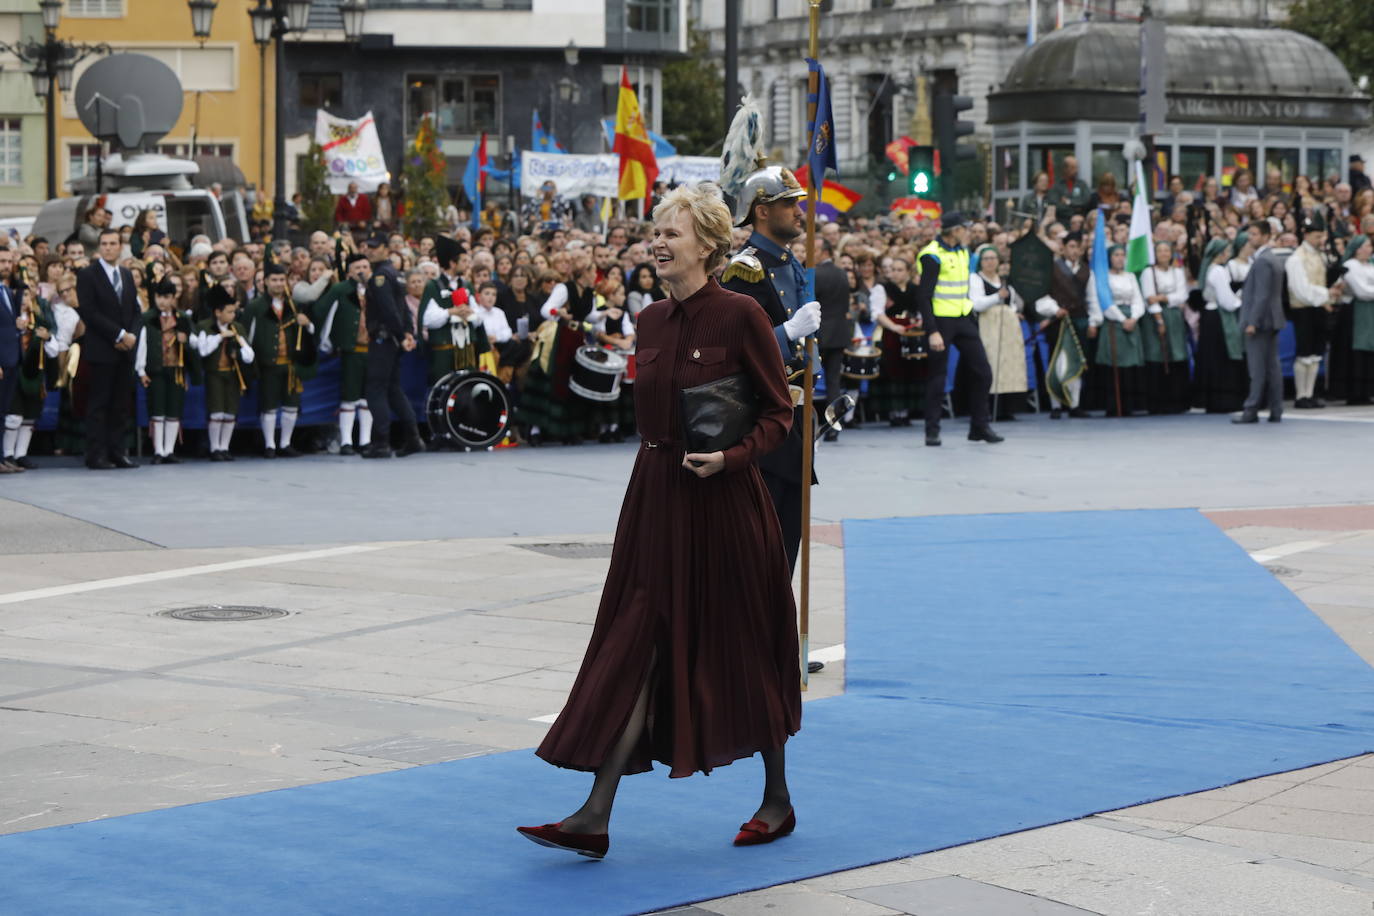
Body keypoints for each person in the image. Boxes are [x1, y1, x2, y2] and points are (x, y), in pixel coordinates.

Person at [521, 183, 800, 858]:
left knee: (743, 645)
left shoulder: (741, 316)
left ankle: (777, 798)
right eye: (655, 232)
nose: (657, 242)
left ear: (707, 243)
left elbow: (778, 413)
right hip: (655, 497)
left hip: (726, 503)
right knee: (640, 646)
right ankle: (593, 815)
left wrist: (733, 457)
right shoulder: (647, 322)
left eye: (670, 233)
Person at [720, 164, 821, 572]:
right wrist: (786, 333)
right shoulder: (746, 269)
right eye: (789, 204)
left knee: (788, 536)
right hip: (764, 418)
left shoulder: (792, 263)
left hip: (796, 415)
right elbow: (734, 350)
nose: (800, 212)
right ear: (762, 210)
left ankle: (776, 623)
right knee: (765, 540)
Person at [916, 211, 1001, 445]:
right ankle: (931, 430)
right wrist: (932, 330)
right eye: (965, 227)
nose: (969, 231)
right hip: (941, 321)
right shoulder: (931, 255)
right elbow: (923, 296)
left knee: (983, 372)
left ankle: (979, 427)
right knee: (937, 377)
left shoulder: (963, 251)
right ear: (954, 230)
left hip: (963, 317)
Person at [75, 228, 142, 469]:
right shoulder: (88, 275)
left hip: (125, 350)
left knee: (120, 405)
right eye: (104, 243)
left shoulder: (125, 274)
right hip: (102, 348)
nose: (108, 247)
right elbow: (89, 312)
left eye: (113, 243)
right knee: (99, 405)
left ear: (120, 246)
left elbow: (135, 309)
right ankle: (96, 454)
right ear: (99, 247)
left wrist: (131, 334)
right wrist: (119, 334)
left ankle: (117, 452)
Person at [360, 234, 423, 458]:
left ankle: (381, 442)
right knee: (393, 389)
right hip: (393, 338)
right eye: (369, 247)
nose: (371, 250)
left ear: (386, 249)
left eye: (376, 247)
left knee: (375, 389)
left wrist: (400, 333)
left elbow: (389, 310)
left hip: (384, 339)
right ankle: (413, 438)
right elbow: (403, 308)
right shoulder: (395, 274)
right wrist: (407, 332)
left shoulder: (380, 277)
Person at [245, 263, 315, 457]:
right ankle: (269, 445)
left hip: (291, 364)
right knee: (268, 405)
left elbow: (310, 333)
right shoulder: (255, 306)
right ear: (266, 282)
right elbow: (246, 335)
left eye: (281, 280)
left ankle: (285, 443)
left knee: (291, 405)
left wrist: (307, 323)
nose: (278, 284)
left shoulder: (295, 304)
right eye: (274, 280)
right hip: (268, 364)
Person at [315, 253, 374, 455]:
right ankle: (347, 441)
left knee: (368, 398)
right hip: (351, 350)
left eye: (365, 266)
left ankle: (365, 440)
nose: (362, 271)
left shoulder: (376, 289)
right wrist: (327, 342)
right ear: (349, 271)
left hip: (374, 350)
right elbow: (322, 312)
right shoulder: (340, 289)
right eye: (357, 267)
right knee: (349, 395)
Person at [1234, 220, 1288, 424]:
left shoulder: (1263, 261)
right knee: (1272, 367)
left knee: (1257, 369)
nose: (1251, 238)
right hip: (1271, 319)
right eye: (1250, 235)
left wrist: (1252, 322)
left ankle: (1251, 410)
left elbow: (1262, 295)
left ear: (1266, 236)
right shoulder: (1270, 258)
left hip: (1261, 321)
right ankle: (1276, 409)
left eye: (1255, 234)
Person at [1285, 212, 1340, 408]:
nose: (1321, 240)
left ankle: (1310, 393)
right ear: (1306, 235)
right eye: (1317, 236)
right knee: (1304, 353)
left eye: (1322, 236)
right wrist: (1326, 293)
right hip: (1304, 310)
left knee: (1316, 353)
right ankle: (1301, 395)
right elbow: (1301, 290)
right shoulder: (1296, 258)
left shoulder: (1319, 255)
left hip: (1318, 308)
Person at [192, 286, 254, 460]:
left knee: (230, 412)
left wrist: (239, 351)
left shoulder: (238, 328)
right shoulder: (205, 326)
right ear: (218, 312)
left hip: (233, 374)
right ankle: (215, 447)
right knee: (216, 411)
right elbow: (203, 351)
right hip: (215, 374)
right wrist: (220, 337)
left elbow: (249, 355)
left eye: (234, 312)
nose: (232, 315)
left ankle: (225, 447)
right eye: (229, 312)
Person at [134, 279, 193, 463]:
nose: (162, 301)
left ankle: (169, 450)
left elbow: (194, 345)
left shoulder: (182, 318)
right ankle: (158, 450)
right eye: (159, 296)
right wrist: (141, 370)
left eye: (166, 297)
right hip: (155, 369)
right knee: (157, 409)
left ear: (173, 298)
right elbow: (141, 345)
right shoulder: (147, 318)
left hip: (177, 370)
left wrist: (186, 341)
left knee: (174, 410)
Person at [1037, 230, 1093, 418]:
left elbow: (1091, 299)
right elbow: (1042, 296)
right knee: (1057, 363)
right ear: (1063, 248)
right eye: (1071, 246)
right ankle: (1056, 405)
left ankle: (1074, 404)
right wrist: (1055, 310)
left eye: (1078, 247)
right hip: (1059, 322)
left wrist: (1093, 320)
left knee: (1077, 363)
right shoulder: (1053, 268)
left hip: (1079, 321)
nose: (1075, 251)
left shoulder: (1086, 270)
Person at [1087, 245, 1147, 417]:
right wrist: (1121, 319)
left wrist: (1134, 318)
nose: (1120, 258)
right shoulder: (1103, 277)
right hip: (1114, 320)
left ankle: (1131, 404)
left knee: (1130, 365)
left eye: (1122, 255)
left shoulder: (1130, 277)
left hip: (1131, 319)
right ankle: (1113, 404)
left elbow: (1137, 299)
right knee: (1114, 364)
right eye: (1116, 255)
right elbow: (1104, 301)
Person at [970, 245, 1027, 420]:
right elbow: (976, 303)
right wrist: (997, 297)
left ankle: (1007, 407)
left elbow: (1013, 302)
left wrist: (1014, 311)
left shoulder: (1003, 280)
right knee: (991, 363)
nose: (990, 262)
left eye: (993, 258)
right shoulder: (975, 279)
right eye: (986, 259)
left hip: (1008, 327)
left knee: (1008, 365)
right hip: (988, 326)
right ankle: (987, 407)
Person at [869, 256, 927, 428]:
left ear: (908, 272)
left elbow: (921, 311)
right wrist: (894, 327)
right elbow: (877, 314)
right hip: (890, 334)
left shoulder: (915, 289)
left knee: (910, 370)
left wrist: (918, 322)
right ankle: (894, 412)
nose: (894, 273)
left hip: (911, 334)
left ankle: (906, 411)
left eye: (899, 270)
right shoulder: (882, 288)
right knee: (892, 371)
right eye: (893, 269)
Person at [1194, 238, 1248, 414]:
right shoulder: (1218, 271)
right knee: (1222, 358)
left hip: (1210, 317)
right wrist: (1239, 301)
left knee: (1213, 358)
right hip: (1219, 318)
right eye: (1227, 251)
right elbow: (1226, 301)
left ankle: (1214, 398)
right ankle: (1224, 400)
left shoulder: (1209, 269)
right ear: (1220, 253)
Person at [2, 283, 52, 470]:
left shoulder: (39, 320)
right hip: (15, 370)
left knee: (30, 416)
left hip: (34, 375)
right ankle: (7, 454)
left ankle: (21, 454)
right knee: (13, 415)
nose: (24, 300)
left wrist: (47, 338)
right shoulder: (10, 318)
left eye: (28, 296)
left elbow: (53, 349)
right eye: (21, 296)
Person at [1139, 241, 1191, 414]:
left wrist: (1162, 297)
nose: (1163, 254)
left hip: (1174, 316)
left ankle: (1177, 400)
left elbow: (1182, 295)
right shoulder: (1149, 272)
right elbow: (1149, 297)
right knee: (1157, 354)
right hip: (1156, 316)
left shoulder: (1177, 272)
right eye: (1160, 251)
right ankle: (1157, 401)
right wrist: (1159, 319)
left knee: (1177, 353)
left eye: (1166, 250)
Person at [813, 239, 853, 442]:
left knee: (809, 380)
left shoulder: (815, 273)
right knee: (833, 382)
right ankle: (834, 426)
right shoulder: (842, 273)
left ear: (825, 251)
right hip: (839, 334)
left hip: (819, 334)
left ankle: (806, 423)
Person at [1330, 234, 1374, 405]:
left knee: (1369, 349)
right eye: (1368, 245)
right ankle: (1354, 391)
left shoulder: (1369, 265)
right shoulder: (1350, 265)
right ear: (1358, 249)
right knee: (1356, 350)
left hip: (1369, 312)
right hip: (1355, 313)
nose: (1370, 248)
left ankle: (1367, 390)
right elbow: (1361, 290)